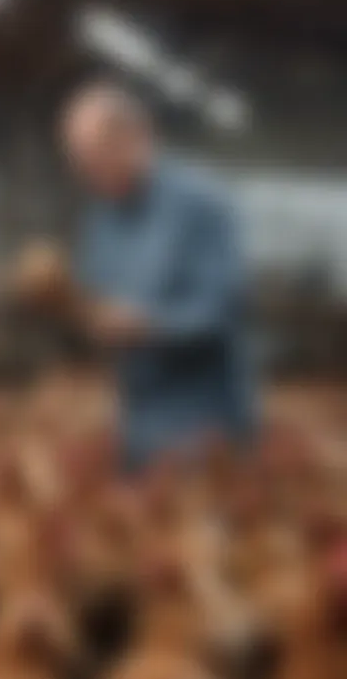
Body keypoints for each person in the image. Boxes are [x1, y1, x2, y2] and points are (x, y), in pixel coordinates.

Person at [31, 81, 256, 471]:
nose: (89, 175)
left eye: (95, 159)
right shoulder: (102, 217)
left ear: (133, 137)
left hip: (204, 430)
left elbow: (221, 312)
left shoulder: (202, 205)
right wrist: (64, 303)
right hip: (137, 427)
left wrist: (149, 326)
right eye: (81, 165)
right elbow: (95, 308)